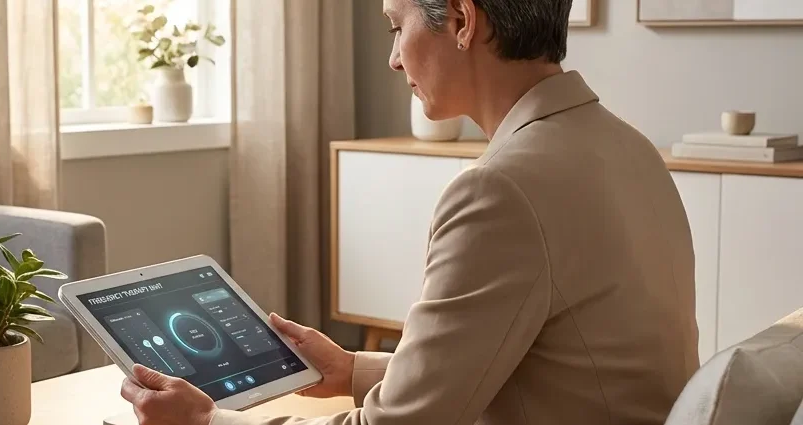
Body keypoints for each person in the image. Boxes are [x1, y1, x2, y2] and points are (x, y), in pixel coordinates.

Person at [120, 0, 701, 423]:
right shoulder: (628, 146)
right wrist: (351, 370)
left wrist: (205, 423)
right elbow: (535, 362)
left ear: (463, 21)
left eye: (397, 28)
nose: (394, 59)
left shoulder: (502, 190)